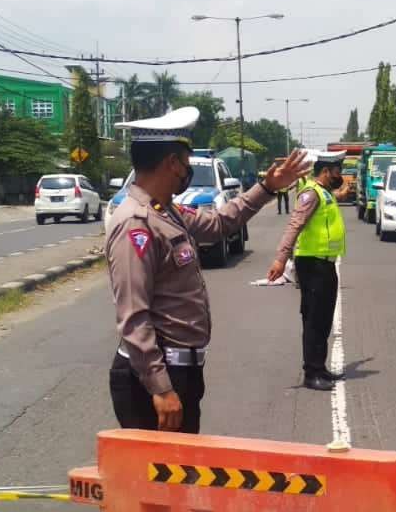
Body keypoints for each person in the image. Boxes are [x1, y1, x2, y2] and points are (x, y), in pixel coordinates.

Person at [106, 107, 309, 433]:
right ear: (172, 162)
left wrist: (268, 188)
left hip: (181, 372)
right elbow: (134, 315)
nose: (187, 171)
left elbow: (217, 224)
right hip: (155, 380)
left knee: (179, 476)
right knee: (162, 481)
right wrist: (161, 387)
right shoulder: (136, 223)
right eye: (186, 163)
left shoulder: (165, 211)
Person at [267, 150, 351, 391]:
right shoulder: (311, 194)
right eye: (337, 171)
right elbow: (295, 225)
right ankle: (311, 373)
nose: (340, 175)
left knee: (323, 319)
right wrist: (280, 259)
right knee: (314, 320)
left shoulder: (324, 192)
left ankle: (320, 367)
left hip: (325, 263)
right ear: (325, 171)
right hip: (312, 264)